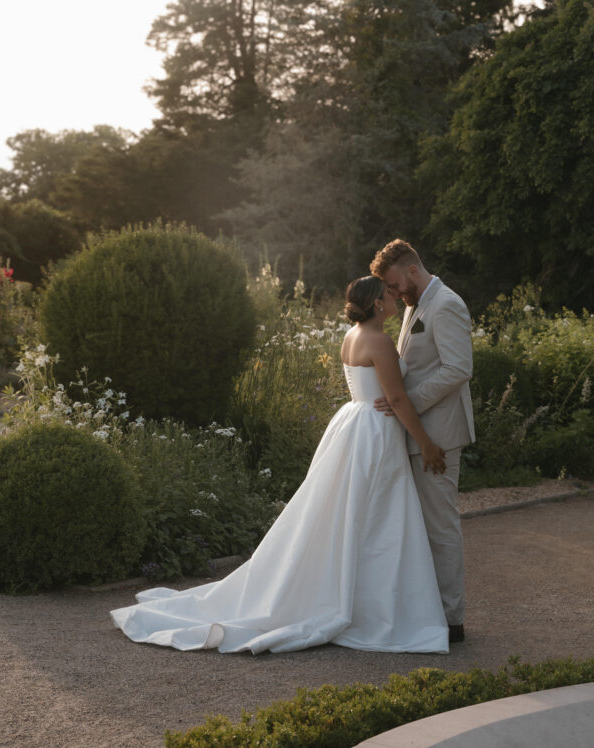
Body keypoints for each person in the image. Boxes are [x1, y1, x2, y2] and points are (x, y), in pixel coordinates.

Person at [110, 276, 450, 654]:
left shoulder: (351, 336)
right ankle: (371, 606)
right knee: (374, 515)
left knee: (352, 514)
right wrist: (427, 445)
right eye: (387, 294)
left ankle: (354, 592)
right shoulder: (380, 340)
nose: (394, 297)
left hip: (355, 423)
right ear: (374, 303)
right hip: (374, 431)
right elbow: (398, 400)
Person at [370, 240, 474, 643]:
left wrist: (404, 404)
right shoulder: (415, 304)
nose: (394, 294)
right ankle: (429, 612)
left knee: (441, 526)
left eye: (395, 284)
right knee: (422, 527)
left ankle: (452, 622)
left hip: (440, 435)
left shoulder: (445, 304)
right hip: (419, 430)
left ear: (412, 270)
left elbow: (458, 369)